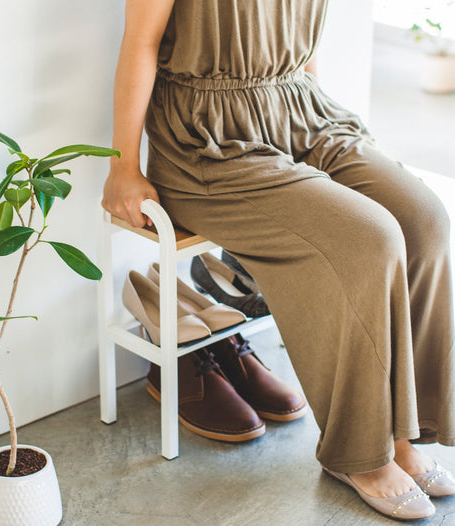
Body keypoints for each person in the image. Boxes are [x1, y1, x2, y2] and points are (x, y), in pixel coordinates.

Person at [102, 0, 455, 520]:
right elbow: (141, 42)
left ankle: (404, 432)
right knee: (370, 239)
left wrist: (321, 123)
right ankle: (359, 452)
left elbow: (298, 37)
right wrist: (123, 167)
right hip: (206, 139)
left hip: (302, 111)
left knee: (424, 220)